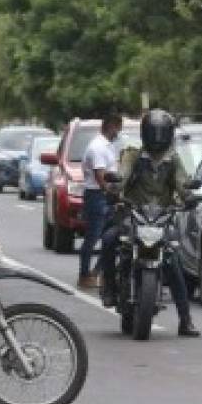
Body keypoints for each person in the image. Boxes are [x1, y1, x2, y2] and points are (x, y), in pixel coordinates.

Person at [99, 108, 199, 337]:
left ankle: (185, 320)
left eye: (161, 134)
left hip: (161, 218)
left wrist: (190, 196)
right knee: (108, 240)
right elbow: (122, 175)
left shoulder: (173, 159)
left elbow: (183, 183)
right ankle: (110, 291)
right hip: (132, 214)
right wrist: (115, 188)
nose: (157, 139)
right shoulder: (133, 155)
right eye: (153, 134)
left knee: (174, 263)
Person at [78, 112, 123, 290]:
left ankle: (99, 272)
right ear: (111, 126)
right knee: (93, 237)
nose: (119, 132)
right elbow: (100, 176)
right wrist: (112, 194)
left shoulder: (107, 146)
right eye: (118, 128)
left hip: (104, 196)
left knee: (112, 236)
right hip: (97, 196)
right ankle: (84, 274)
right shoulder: (97, 147)